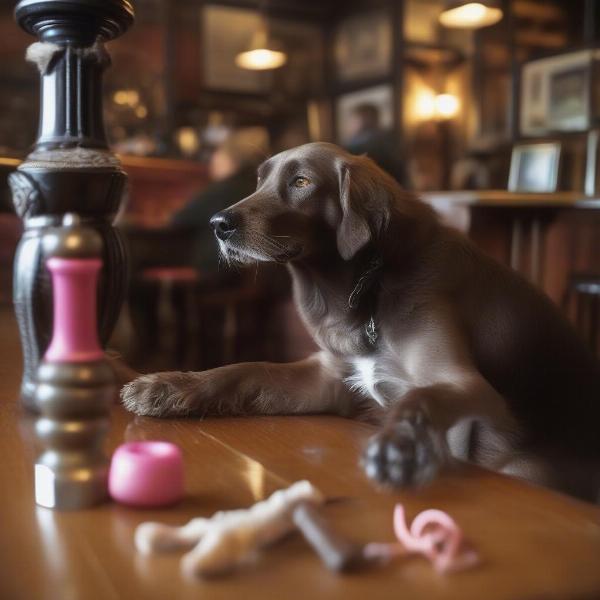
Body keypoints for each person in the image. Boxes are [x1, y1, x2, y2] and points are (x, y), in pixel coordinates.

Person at [171, 127, 269, 274]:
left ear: (230, 159)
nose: (213, 161)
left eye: (217, 153)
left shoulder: (223, 189)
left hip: (219, 273)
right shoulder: (262, 187)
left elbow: (178, 220)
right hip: (257, 277)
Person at [345, 103, 410, 189]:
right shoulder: (390, 138)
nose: (351, 124)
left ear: (364, 119)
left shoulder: (359, 145)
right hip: (394, 189)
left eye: (353, 120)